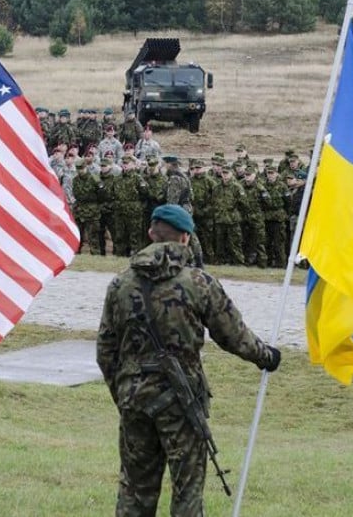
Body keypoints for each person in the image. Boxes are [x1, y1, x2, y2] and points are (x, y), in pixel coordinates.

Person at [97, 204, 280, 516]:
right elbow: (234, 336)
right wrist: (266, 356)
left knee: (135, 490)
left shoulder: (120, 284)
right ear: (185, 239)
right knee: (188, 493)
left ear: (151, 234)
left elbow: (105, 349)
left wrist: (125, 392)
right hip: (180, 401)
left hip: (134, 400)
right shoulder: (198, 283)